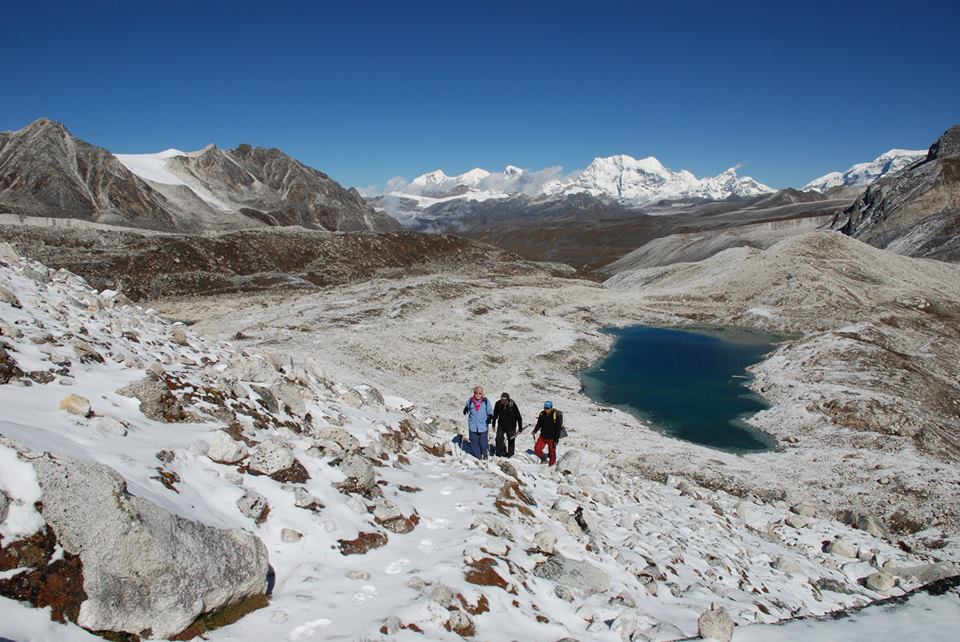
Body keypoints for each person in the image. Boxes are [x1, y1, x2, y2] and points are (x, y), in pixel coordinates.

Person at [462, 385, 493, 460]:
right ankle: (478, 457)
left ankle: (485, 454)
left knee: (483, 443)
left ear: (482, 394)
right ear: (474, 393)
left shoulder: (486, 401)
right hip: (473, 425)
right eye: (476, 393)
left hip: (483, 425)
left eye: (480, 393)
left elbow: (490, 410)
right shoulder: (470, 401)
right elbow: (467, 407)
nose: (478, 395)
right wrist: (465, 409)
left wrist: (490, 416)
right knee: (474, 443)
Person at [492, 392, 523, 458]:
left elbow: (518, 417)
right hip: (501, 425)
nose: (502, 401)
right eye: (501, 400)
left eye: (504, 400)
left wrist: (520, 428)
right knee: (498, 439)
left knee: (511, 440)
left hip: (511, 427)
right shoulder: (498, 404)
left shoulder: (512, 405)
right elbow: (495, 415)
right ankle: (498, 454)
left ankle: (510, 455)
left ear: (507, 400)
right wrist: (493, 424)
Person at [531, 400, 562, 466]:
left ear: (551, 408)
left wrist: (556, 440)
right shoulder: (542, 414)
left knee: (552, 453)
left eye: (548, 408)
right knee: (537, 448)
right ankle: (544, 459)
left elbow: (558, 429)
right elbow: (539, 424)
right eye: (545, 408)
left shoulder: (555, 415)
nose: (546, 410)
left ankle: (552, 464)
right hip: (542, 437)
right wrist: (535, 431)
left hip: (552, 438)